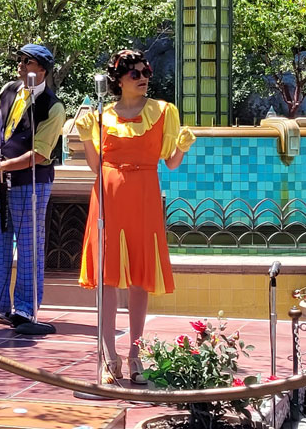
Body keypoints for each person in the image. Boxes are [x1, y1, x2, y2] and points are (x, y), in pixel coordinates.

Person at [77, 48, 193, 385]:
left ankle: (135, 354)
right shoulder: (102, 115)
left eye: (145, 73)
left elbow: (170, 162)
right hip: (109, 195)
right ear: (119, 80)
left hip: (143, 193)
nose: (143, 79)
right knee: (108, 278)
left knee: (140, 276)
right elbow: (97, 167)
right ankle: (108, 355)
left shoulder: (163, 111)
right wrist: (87, 137)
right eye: (135, 74)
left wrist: (183, 146)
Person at [0, 44, 66, 335]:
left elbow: (39, 155)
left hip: (31, 183)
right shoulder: (8, 90)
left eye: (27, 62)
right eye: (20, 60)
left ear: (43, 69)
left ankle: (25, 309)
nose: (21, 65)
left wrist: (2, 165)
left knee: (28, 247)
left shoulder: (53, 106)